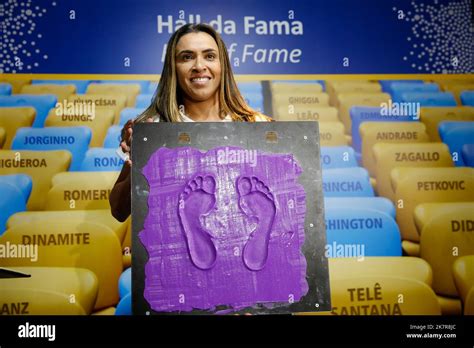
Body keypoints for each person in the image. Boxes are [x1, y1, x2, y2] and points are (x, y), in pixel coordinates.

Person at [110, 23, 271, 222]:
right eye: (187, 57)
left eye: (209, 56)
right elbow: (118, 211)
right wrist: (141, 159)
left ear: (223, 66)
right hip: (171, 246)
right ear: (173, 68)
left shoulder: (257, 124)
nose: (199, 66)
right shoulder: (151, 127)